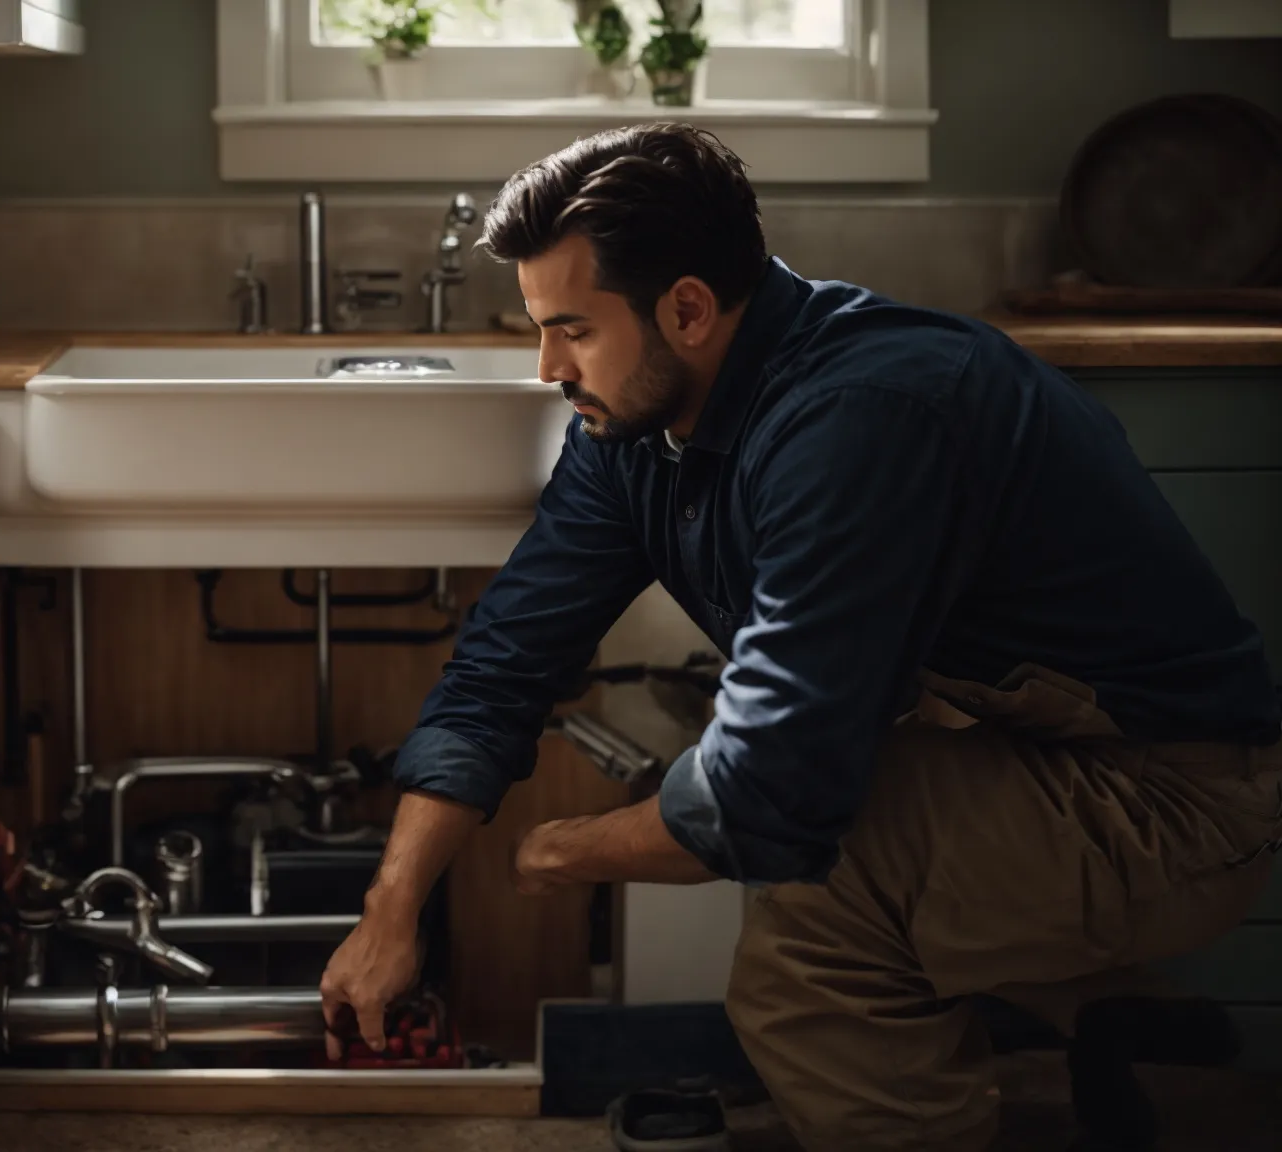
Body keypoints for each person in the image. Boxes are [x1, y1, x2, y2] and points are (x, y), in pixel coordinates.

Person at [317, 123, 1282, 1149]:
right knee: (810, 864)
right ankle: (1085, 1009)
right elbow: (504, 661)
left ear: (686, 309)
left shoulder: (864, 416)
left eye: (571, 329)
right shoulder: (630, 427)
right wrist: (393, 905)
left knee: (802, 963)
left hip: (1173, 796)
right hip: (1010, 755)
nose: (546, 365)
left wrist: (563, 851)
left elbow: (770, 788)